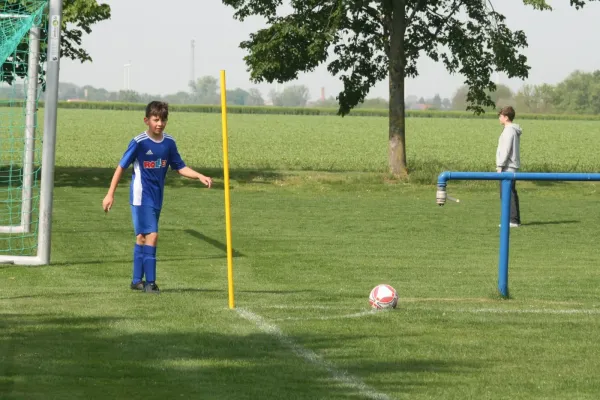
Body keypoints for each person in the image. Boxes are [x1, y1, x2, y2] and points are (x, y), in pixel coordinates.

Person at [102, 101, 212, 293]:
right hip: (141, 196)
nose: (159, 123)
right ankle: (151, 284)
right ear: (147, 120)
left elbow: (179, 167)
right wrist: (110, 194)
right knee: (152, 235)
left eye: (163, 120)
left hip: (157, 197)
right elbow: (121, 166)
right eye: (155, 119)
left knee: (142, 237)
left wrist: (199, 176)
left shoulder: (169, 143)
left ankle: (137, 281)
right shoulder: (139, 143)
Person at [496, 105, 522, 227]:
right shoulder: (511, 130)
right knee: (510, 192)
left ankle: (512, 220)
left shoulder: (509, 131)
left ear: (506, 117)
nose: (499, 118)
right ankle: (512, 219)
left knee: (507, 193)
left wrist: (500, 165)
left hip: (507, 166)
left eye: (500, 116)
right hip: (510, 165)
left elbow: (506, 150)